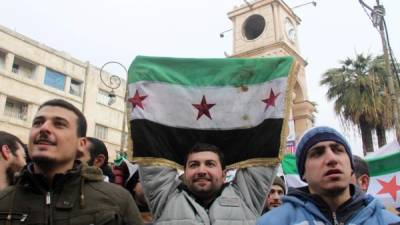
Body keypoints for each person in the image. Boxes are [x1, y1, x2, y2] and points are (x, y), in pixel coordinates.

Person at [0, 99, 143, 225]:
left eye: (59, 124)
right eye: (38, 123)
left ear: (81, 144)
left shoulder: (117, 200)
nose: (44, 128)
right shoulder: (3, 200)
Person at [257, 126, 400, 225]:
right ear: (303, 173)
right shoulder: (273, 222)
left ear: (351, 167)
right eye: (317, 153)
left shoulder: (389, 221)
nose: (331, 159)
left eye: (338, 150)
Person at [139, 142, 277, 225]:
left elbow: (264, 148)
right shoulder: (165, 199)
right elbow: (151, 148)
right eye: (193, 165)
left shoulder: (247, 197)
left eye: (210, 164)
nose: (201, 170)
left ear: (224, 174)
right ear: (185, 173)